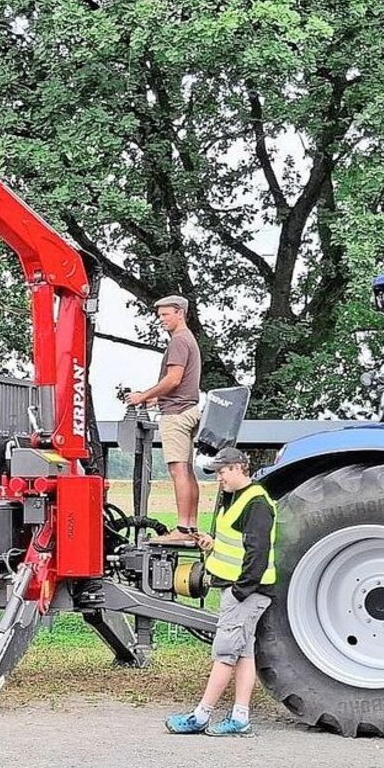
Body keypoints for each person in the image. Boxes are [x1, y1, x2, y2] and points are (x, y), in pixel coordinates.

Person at [166, 446, 277, 737]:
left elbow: (258, 554)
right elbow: (241, 545)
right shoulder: (238, 499)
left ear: (240, 467)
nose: (219, 478)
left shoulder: (256, 503)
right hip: (246, 590)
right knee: (244, 654)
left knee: (225, 652)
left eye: (223, 471)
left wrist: (240, 592)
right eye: (217, 472)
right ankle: (240, 717)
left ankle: (201, 715)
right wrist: (213, 544)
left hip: (244, 591)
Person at [124, 294, 202, 544]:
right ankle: (191, 527)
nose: (162, 320)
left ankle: (182, 529)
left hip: (176, 415)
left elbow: (174, 379)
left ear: (180, 312)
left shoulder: (179, 341)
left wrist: (143, 396)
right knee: (188, 471)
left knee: (178, 470)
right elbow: (182, 386)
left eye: (166, 315)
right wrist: (155, 400)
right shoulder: (189, 340)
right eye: (160, 316)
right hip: (188, 409)